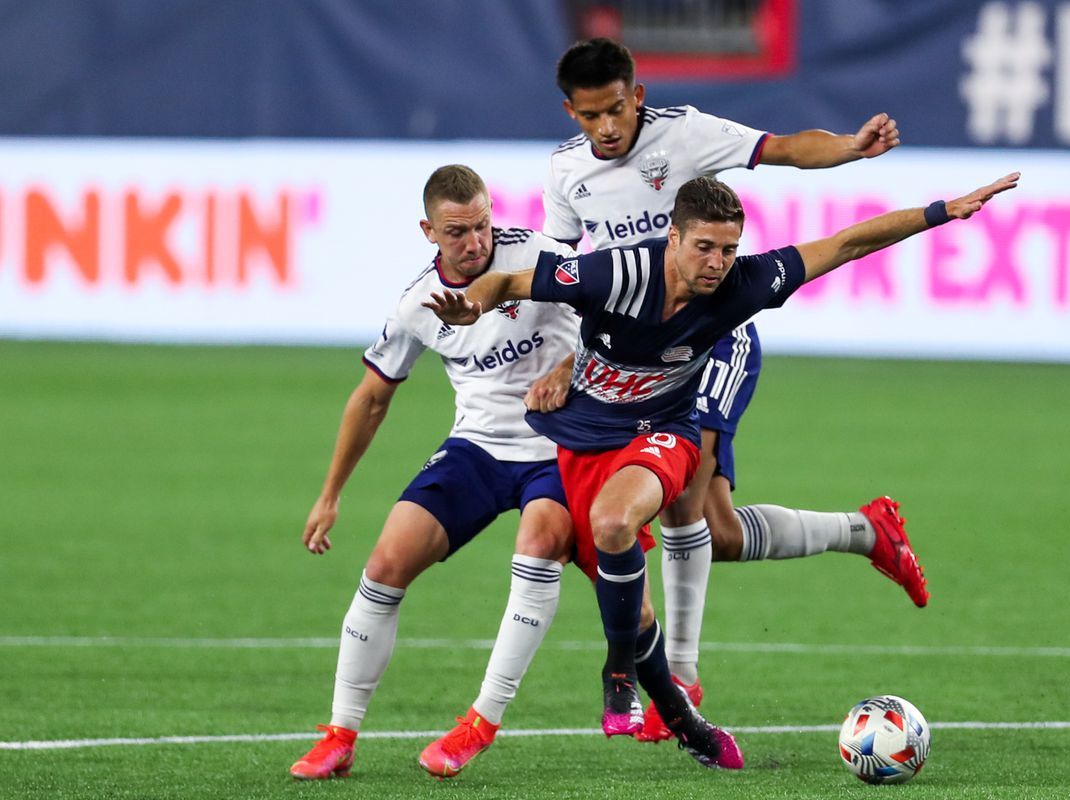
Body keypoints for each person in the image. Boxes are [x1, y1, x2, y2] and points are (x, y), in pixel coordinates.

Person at [426, 171, 1020, 760]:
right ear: (674, 239)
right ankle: (686, 719)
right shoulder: (614, 273)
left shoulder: (747, 281)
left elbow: (844, 244)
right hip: (587, 434)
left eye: (729, 248)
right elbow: (506, 280)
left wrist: (942, 211)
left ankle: (620, 676)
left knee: (616, 524)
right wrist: (469, 307)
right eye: (705, 247)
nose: (717, 262)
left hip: (666, 431)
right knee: (658, 580)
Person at [542, 37, 924, 742]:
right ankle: (865, 530)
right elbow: (564, 269)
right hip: (633, 360)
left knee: (684, 497)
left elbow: (780, 148)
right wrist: (566, 357)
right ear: (572, 111)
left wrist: (848, 147)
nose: (607, 128)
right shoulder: (564, 173)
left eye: (617, 110)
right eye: (591, 116)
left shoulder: (683, 133)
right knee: (714, 531)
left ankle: (679, 679)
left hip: (713, 338)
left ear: (639, 96)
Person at [289, 165, 584, 780]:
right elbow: (371, 397)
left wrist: (568, 365)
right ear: (429, 231)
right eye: (457, 232)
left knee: (539, 547)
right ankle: (340, 735)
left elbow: (613, 317)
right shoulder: (417, 305)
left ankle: (480, 722)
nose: (475, 242)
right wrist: (329, 494)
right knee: (384, 566)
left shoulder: (540, 256)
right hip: (477, 447)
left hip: (557, 446)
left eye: (481, 225)